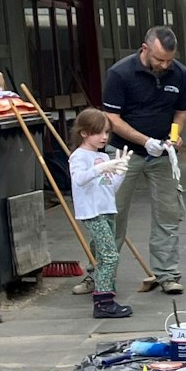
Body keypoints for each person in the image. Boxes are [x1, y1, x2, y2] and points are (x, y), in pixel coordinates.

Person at [102, 25, 186, 295]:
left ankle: (167, 273)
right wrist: (144, 141)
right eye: (159, 59)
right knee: (111, 213)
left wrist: (174, 136)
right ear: (144, 49)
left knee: (168, 214)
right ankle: (100, 275)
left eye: (169, 60)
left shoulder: (180, 74)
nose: (164, 65)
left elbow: (180, 112)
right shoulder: (120, 74)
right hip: (122, 154)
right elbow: (112, 119)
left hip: (163, 153)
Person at [68, 109, 133, 320]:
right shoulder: (79, 156)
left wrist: (120, 173)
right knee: (110, 257)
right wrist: (102, 167)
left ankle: (105, 291)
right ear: (84, 133)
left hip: (107, 209)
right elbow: (79, 179)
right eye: (98, 132)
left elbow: (109, 187)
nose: (104, 137)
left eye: (106, 132)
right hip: (92, 212)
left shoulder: (103, 155)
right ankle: (103, 302)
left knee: (105, 254)